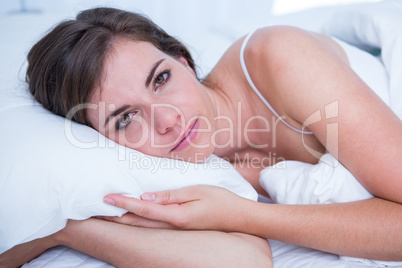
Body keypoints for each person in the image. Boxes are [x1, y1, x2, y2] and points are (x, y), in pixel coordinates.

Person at [2, 5, 402, 266]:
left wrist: (245, 215)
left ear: (184, 61)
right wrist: (65, 228)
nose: (168, 120)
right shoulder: (172, 169)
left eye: (161, 79)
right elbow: (242, 262)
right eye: (126, 119)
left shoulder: (277, 56)